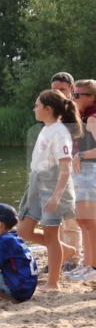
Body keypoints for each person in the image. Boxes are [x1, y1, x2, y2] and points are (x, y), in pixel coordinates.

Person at [16, 89, 81, 291]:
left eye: (37, 105)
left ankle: (53, 283)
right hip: (37, 181)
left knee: (51, 236)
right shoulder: (46, 128)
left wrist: (56, 196)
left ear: (48, 108)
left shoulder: (60, 132)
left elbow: (65, 167)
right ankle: (66, 250)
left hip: (52, 186)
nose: (34, 108)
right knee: (23, 231)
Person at [49, 72, 83, 273]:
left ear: (71, 88)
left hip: (76, 169)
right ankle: (60, 256)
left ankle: (74, 258)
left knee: (71, 218)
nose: (58, 93)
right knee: (55, 219)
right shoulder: (51, 112)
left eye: (62, 89)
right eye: (54, 90)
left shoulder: (77, 111)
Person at [67, 79, 96, 281]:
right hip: (82, 173)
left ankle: (92, 267)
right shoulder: (84, 117)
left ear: (92, 97)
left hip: (90, 173)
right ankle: (87, 264)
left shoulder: (93, 118)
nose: (73, 98)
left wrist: (80, 156)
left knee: (90, 223)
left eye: (77, 95)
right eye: (73, 94)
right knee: (83, 221)